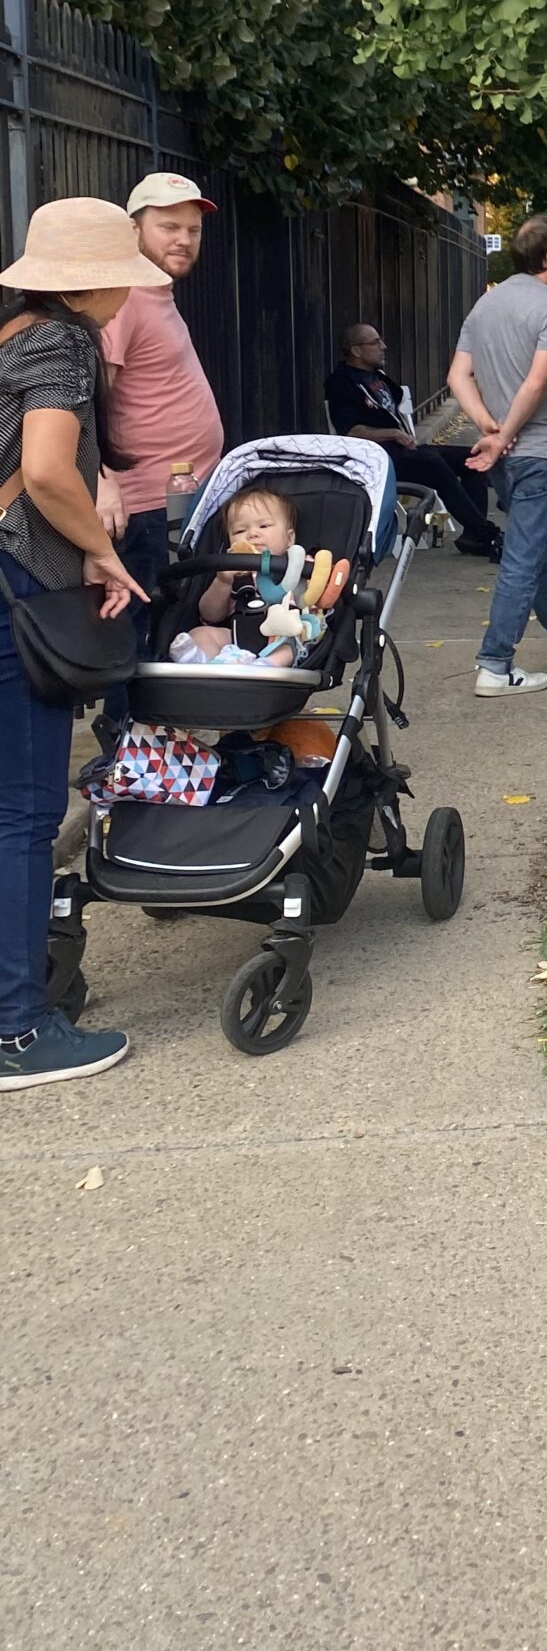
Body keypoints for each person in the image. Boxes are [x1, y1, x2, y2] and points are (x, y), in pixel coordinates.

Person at [0, 199, 158, 1092]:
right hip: (16, 587)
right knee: (23, 813)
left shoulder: (10, 332)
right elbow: (50, 468)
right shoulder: (60, 344)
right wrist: (99, 552)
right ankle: (18, 1030)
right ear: (95, 280)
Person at [448, 214, 547, 698]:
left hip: (506, 458)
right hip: (542, 451)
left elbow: (457, 378)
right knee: (522, 557)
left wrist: (488, 428)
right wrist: (504, 432)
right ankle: (496, 663)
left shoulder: (485, 305)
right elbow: (537, 382)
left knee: (530, 550)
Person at [96, 171, 224, 594]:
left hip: (181, 496)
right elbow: (92, 394)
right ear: (133, 230)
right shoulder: (124, 296)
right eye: (168, 227)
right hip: (148, 507)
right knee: (149, 633)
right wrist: (102, 480)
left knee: (177, 627)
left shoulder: (155, 291)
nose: (183, 239)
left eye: (193, 230)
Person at [325, 322, 502, 559]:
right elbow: (351, 432)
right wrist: (394, 433)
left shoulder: (376, 377)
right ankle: (486, 533)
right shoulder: (341, 384)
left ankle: (472, 536)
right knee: (432, 464)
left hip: (404, 450)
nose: (383, 346)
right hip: (378, 458)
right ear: (356, 351)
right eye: (375, 342)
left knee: (472, 458)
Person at [173, 487, 304, 667]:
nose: (252, 534)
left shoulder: (297, 564)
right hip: (236, 638)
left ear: (289, 538)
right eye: (240, 531)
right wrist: (222, 582)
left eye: (264, 526)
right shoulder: (234, 572)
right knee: (202, 632)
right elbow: (210, 616)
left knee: (290, 646)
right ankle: (201, 662)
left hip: (281, 636)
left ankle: (265, 666)